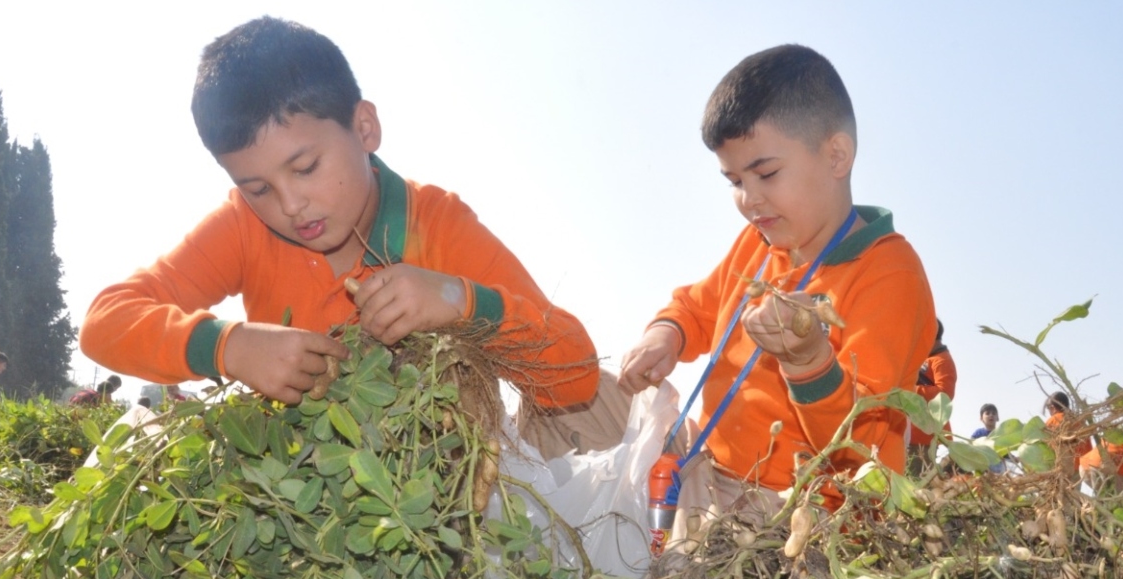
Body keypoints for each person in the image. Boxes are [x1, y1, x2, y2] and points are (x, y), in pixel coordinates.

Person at [79, 17, 599, 414]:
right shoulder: (243, 225)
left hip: (429, 498)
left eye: (306, 168)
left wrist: (459, 302)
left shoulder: (436, 223)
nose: (289, 206)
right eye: (258, 188)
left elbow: (577, 374)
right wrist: (227, 346)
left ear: (365, 128)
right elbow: (105, 322)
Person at [618, 44, 936, 545]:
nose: (749, 199)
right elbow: (697, 306)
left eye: (766, 174)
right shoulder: (759, 244)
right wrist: (667, 335)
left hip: (802, 515)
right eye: (734, 181)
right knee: (587, 395)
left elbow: (859, 444)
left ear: (836, 156)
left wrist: (809, 361)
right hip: (706, 473)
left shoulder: (889, 273)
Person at [907, 319, 957, 474]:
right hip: (910, 433)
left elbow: (944, 394)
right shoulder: (924, 358)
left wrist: (911, 390)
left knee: (916, 480)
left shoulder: (942, 360)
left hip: (923, 438)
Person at [1043, 391, 1092, 476]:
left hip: (1063, 468)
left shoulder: (1053, 420)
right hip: (1083, 466)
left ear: (1052, 408)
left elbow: (1044, 444)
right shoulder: (1079, 420)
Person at [971, 403, 1006, 473]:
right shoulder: (978, 433)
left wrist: (1014, 458)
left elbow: (1006, 451)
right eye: (987, 413)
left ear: (997, 418)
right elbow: (970, 446)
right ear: (981, 418)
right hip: (983, 465)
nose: (991, 415)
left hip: (999, 467)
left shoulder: (1001, 434)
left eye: (994, 413)